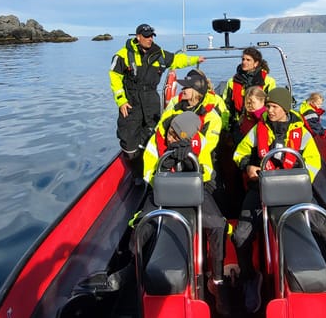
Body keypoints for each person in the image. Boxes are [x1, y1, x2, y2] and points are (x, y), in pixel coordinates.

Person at [232, 87, 326, 313]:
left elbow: (314, 161)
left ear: (284, 108)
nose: (269, 110)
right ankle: (249, 278)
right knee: (240, 235)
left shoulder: (301, 132)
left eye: (274, 107)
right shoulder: (258, 130)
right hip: (262, 188)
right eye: (268, 106)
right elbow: (240, 152)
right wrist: (248, 166)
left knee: (324, 224)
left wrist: (301, 179)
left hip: (294, 188)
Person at [139, 108, 229, 315]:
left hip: (193, 191)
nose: (171, 139)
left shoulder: (201, 142)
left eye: (176, 137)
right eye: (170, 133)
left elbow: (207, 173)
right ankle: (134, 275)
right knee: (141, 229)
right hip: (161, 193)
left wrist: (190, 163)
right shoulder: (156, 141)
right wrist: (167, 163)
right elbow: (147, 175)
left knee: (218, 224)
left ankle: (216, 278)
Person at [109, 23, 205, 183]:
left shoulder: (158, 53)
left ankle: (155, 172)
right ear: (138, 37)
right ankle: (137, 172)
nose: (150, 39)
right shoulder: (123, 55)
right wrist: (121, 101)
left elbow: (176, 60)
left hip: (151, 99)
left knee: (153, 134)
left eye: (152, 36)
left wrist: (195, 59)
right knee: (129, 140)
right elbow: (114, 77)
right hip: (131, 101)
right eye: (146, 36)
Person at [222, 47, 276, 139]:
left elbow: (273, 104)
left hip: (261, 122)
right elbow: (226, 106)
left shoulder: (268, 81)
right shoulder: (232, 82)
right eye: (243, 59)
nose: (244, 62)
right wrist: (226, 128)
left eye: (248, 60)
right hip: (239, 125)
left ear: (256, 63)